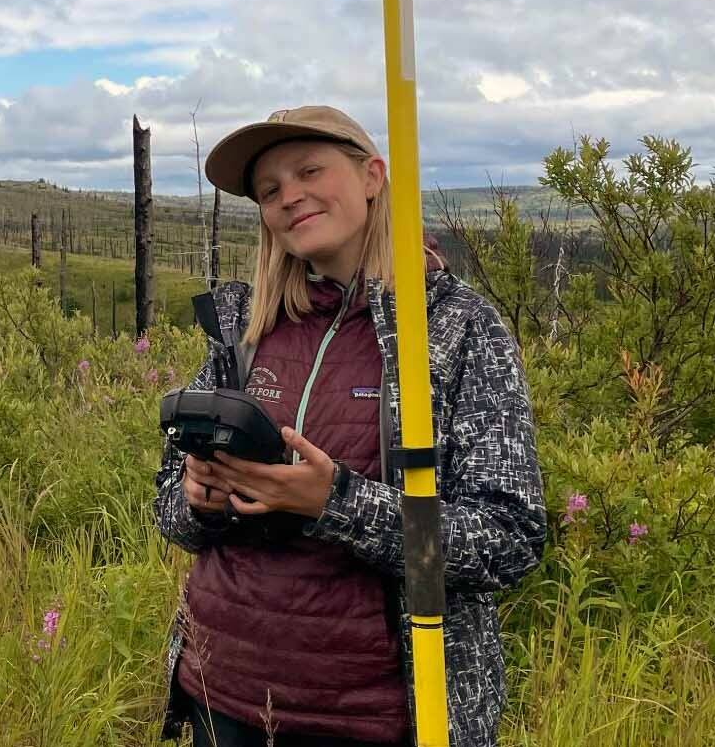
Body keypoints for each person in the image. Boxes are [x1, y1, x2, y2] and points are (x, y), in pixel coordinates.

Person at [154, 105, 546, 747]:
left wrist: (334, 502)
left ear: (372, 177)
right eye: (270, 190)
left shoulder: (455, 329)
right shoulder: (243, 329)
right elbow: (169, 510)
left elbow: (509, 538)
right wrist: (202, 498)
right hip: (221, 694)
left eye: (310, 170)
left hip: (374, 716)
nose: (290, 197)